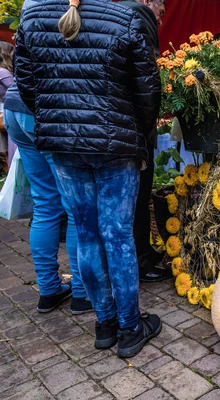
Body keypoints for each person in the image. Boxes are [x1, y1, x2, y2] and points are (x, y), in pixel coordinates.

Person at [15, 0, 163, 358]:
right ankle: (129, 328)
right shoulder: (125, 18)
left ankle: (105, 323)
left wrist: (60, 123)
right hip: (116, 145)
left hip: (64, 145)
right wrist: (138, 139)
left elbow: (27, 85)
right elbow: (148, 92)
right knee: (118, 236)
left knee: (87, 234)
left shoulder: (31, 19)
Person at [3, 29, 91, 314]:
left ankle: (49, 289)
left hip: (15, 104)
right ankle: (81, 292)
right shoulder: (69, 11)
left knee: (45, 205)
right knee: (76, 208)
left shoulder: (32, 9)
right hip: (45, 106)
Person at [120, 0, 170, 282]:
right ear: (149, 2)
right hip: (134, 128)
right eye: (160, 13)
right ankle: (141, 262)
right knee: (137, 198)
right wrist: (147, 125)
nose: (160, 21)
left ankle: (142, 253)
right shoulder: (138, 14)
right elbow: (149, 79)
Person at [0, 41, 14, 173]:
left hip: (5, 113)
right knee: (13, 149)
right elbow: (16, 90)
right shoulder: (3, 72)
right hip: (10, 113)